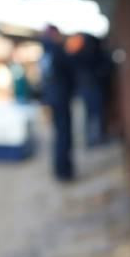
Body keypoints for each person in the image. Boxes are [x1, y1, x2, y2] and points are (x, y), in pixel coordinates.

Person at [39, 25, 75, 181]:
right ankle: (64, 171)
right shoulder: (57, 50)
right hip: (61, 97)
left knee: (58, 134)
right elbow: (69, 72)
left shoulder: (45, 53)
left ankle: (60, 169)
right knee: (64, 134)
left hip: (51, 98)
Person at [68, 32, 114, 148]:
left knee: (91, 114)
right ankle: (95, 138)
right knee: (95, 113)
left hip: (86, 86)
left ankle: (93, 138)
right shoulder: (91, 52)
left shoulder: (80, 53)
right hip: (91, 86)